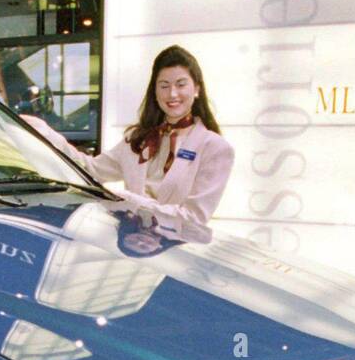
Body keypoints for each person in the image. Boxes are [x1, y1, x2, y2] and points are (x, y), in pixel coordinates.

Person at [22, 44, 234, 229]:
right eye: (164, 86)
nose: (172, 94)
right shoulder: (139, 138)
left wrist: (130, 201)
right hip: (130, 247)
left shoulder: (215, 148)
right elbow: (91, 170)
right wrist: (45, 133)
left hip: (174, 251)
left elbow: (194, 219)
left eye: (180, 84)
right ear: (155, 90)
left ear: (196, 88)